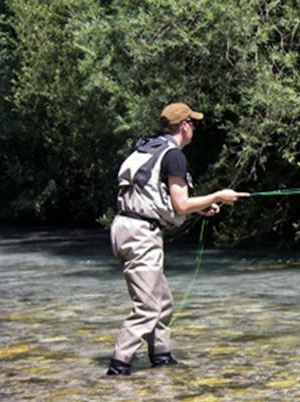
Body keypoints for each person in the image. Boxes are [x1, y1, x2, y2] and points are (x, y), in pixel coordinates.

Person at [107, 103, 249, 375]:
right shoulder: (174, 157)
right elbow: (181, 205)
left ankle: (161, 357)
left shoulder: (145, 150)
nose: (193, 128)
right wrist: (218, 196)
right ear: (184, 125)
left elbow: (160, 198)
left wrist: (202, 206)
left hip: (125, 228)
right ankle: (118, 366)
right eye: (192, 123)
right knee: (148, 307)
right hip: (140, 234)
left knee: (162, 302)